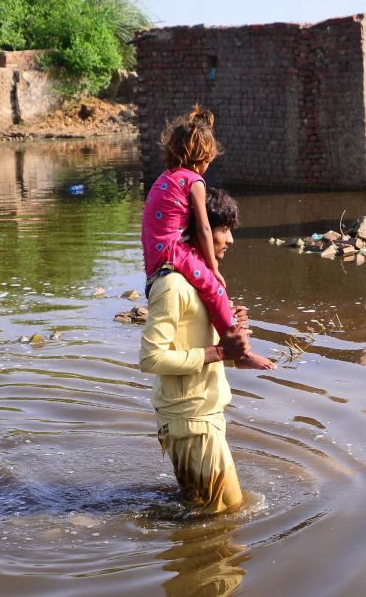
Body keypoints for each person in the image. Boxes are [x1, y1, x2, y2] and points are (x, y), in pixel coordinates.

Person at [141, 188, 273, 515]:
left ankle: (185, 558)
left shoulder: (197, 281)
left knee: (200, 510)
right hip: (191, 421)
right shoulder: (172, 286)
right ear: (198, 230)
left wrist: (228, 329)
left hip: (198, 416)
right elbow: (151, 358)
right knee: (228, 513)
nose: (229, 240)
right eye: (223, 230)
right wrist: (220, 351)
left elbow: (190, 337)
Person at [142, 106, 274, 370]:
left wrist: (229, 313)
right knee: (214, 286)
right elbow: (203, 228)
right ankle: (242, 354)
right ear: (202, 158)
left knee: (212, 292)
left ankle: (233, 334)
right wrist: (213, 268)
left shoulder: (164, 179)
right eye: (208, 161)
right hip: (172, 250)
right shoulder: (194, 182)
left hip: (156, 254)